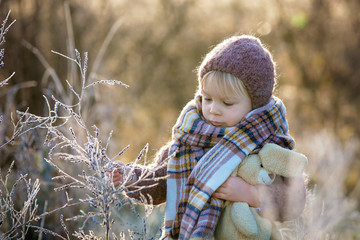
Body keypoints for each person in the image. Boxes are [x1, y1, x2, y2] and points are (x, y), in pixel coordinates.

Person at [109, 35, 306, 239]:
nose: (213, 110)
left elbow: (295, 199)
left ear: (255, 105)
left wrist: (251, 194)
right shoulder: (189, 142)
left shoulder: (267, 143)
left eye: (227, 103)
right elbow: (160, 183)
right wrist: (131, 178)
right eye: (207, 98)